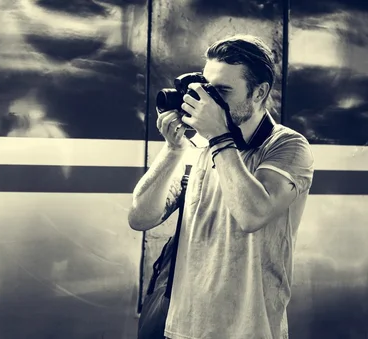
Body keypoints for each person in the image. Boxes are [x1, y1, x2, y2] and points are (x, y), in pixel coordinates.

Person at [128, 35, 315, 339]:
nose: (211, 102)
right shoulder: (199, 144)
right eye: (209, 90)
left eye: (224, 92)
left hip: (249, 330)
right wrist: (174, 150)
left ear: (259, 93)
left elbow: (253, 214)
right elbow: (140, 217)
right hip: (182, 328)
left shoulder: (288, 146)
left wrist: (218, 137)